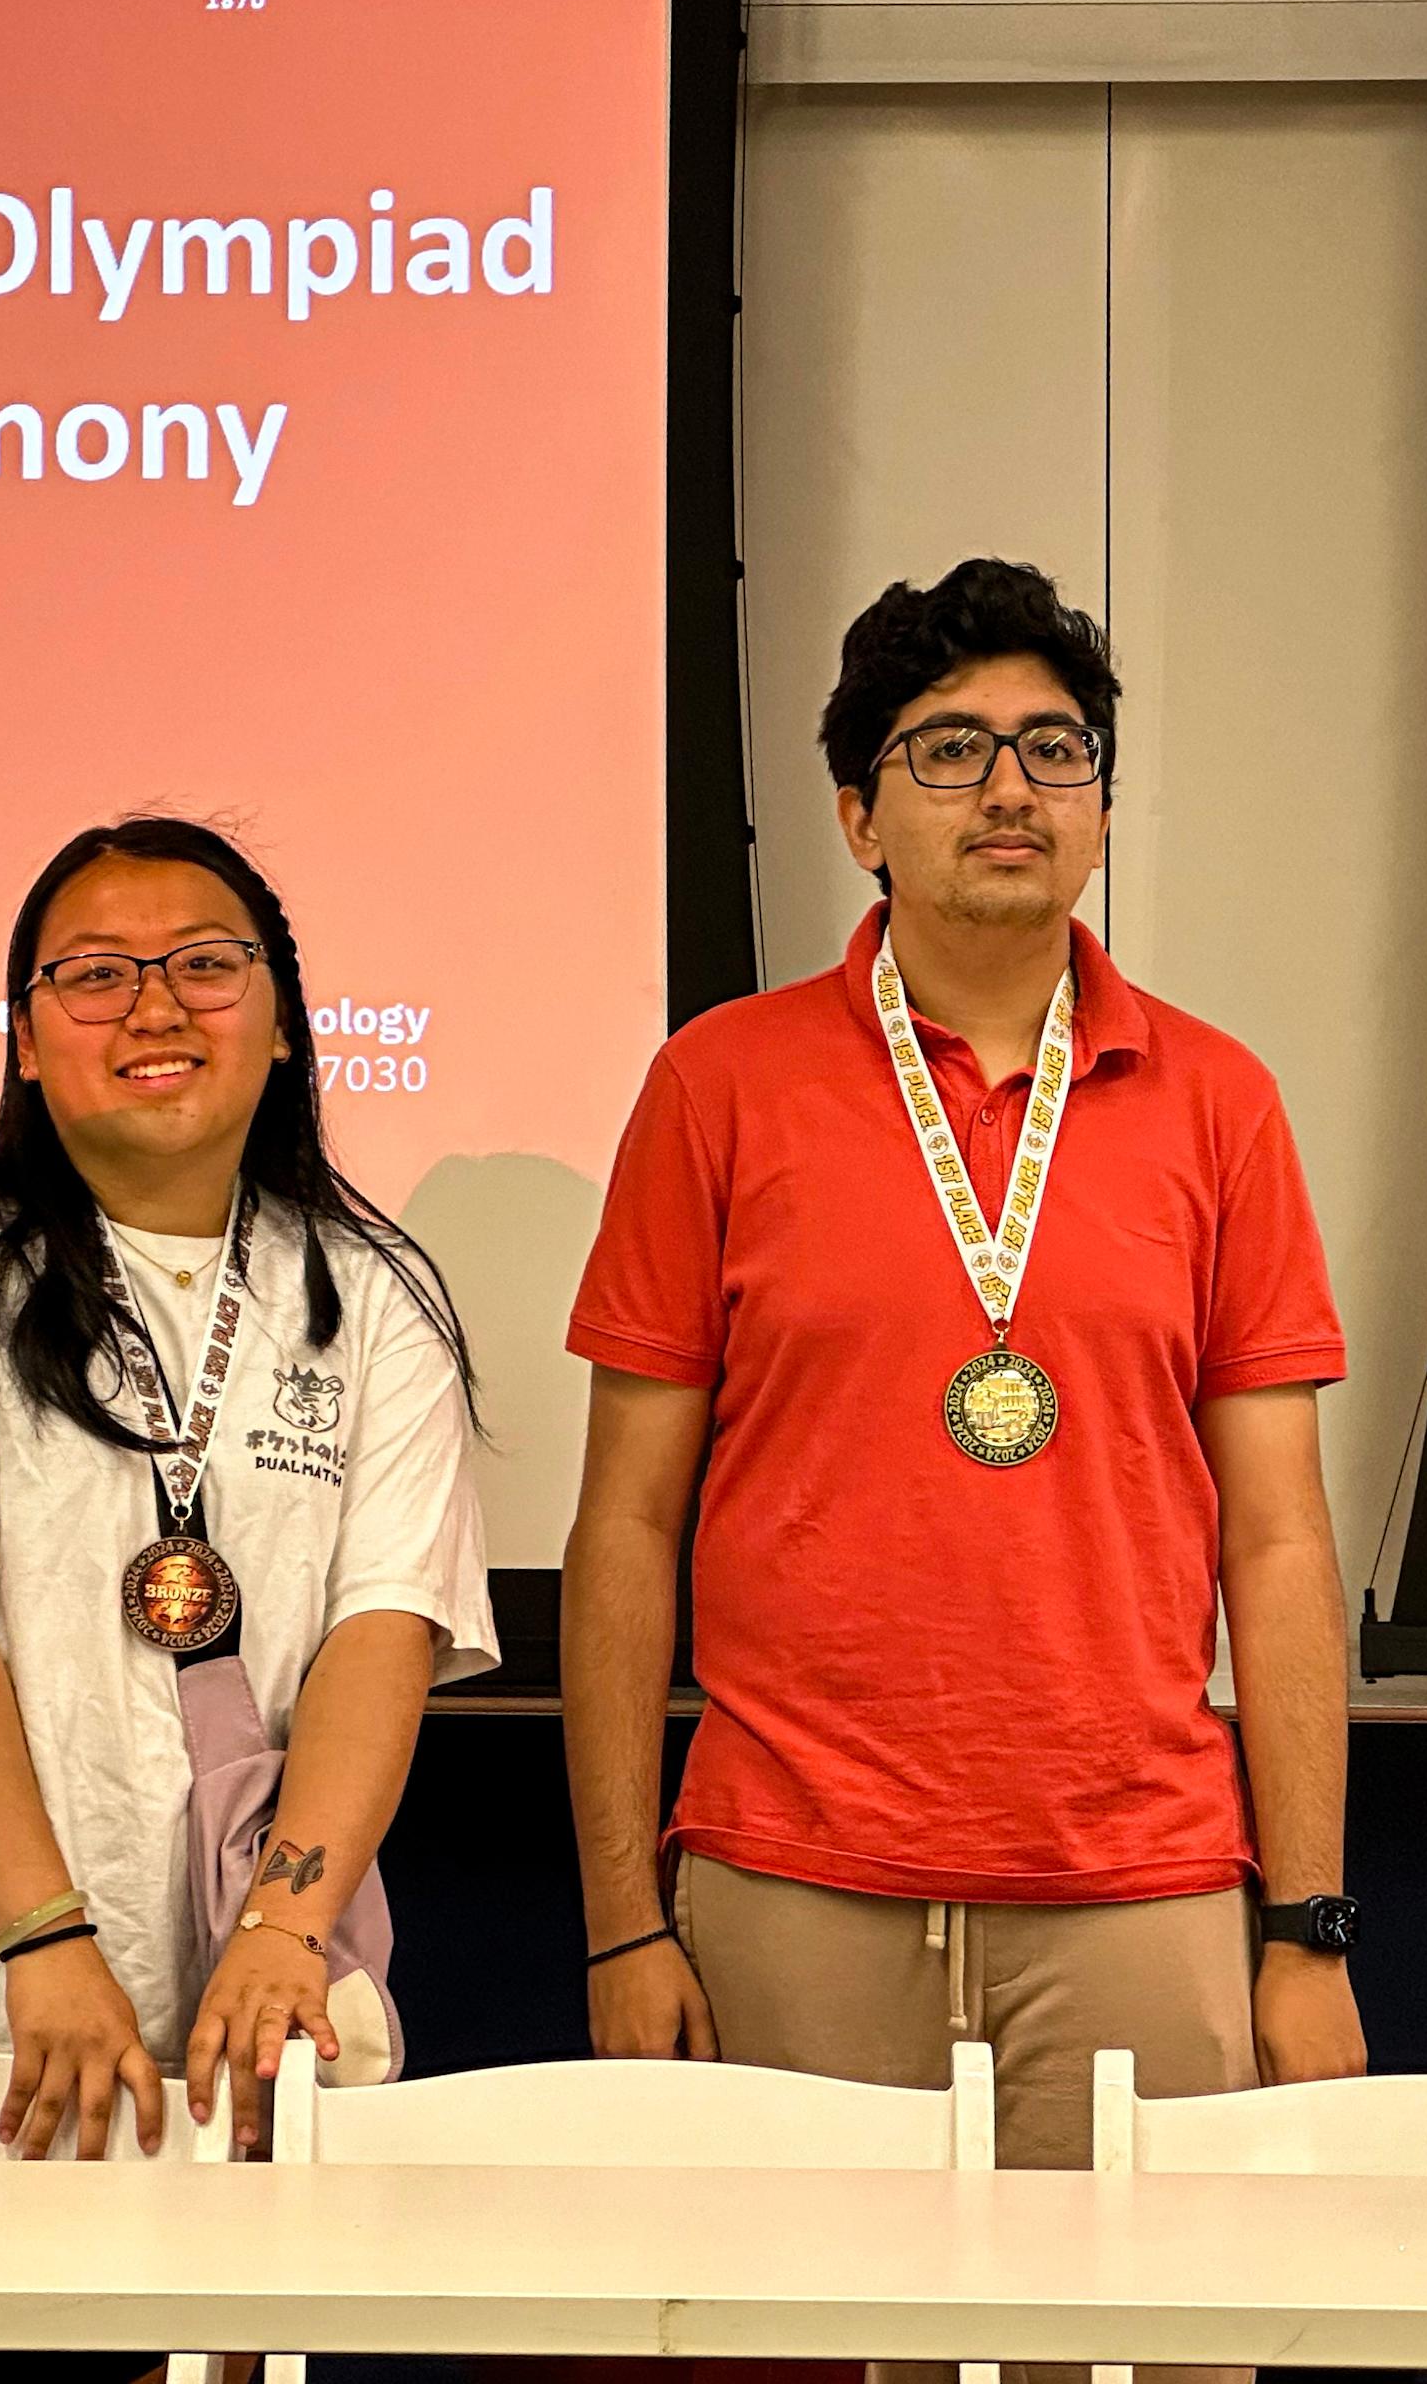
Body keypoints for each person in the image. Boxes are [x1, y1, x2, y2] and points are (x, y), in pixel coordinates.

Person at [561, 559, 1362, 2382]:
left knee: (1155, 2368)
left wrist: (1304, 1925)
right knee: (791, 2365)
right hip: (794, 1889)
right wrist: (623, 1920)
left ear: (1097, 806)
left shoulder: (1217, 1099)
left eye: (1054, 749)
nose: (1011, 788)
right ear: (857, 813)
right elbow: (625, 1526)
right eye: (951, 750)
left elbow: (1285, 1544)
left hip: (1143, 1897)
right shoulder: (721, 1086)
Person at [0, 815, 491, 2244]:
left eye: (207, 967)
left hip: (237, 1990)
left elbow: (383, 1633)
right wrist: (44, 1936)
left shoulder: (373, 1294)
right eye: (93, 976)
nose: (154, 1007)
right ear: (27, 1041)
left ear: (280, 1020)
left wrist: (286, 1934)